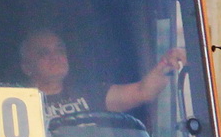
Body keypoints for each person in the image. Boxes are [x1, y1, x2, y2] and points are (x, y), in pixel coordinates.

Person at [18, 28, 185, 121]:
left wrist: (166, 65)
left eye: (59, 50)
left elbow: (143, 92)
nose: (55, 57)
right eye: (43, 53)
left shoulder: (92, 93)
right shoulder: (16, 103)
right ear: (27, 67)